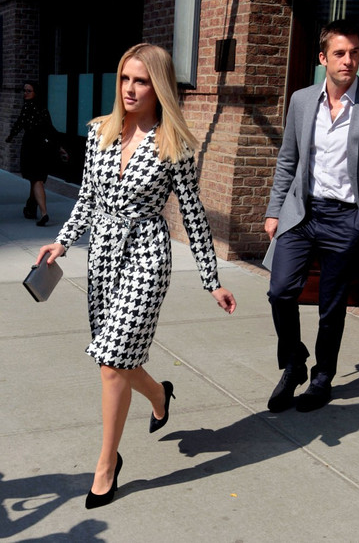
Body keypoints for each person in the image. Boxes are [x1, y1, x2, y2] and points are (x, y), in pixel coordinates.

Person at [35, 43, 236, 509]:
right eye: (125, 78)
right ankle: (159, 394)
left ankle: (106, 465)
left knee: (111, 363)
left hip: (146, 253)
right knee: (119, 358)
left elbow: (194, 215)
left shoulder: (174, 144)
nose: (129, 88)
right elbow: (87, 197)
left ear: (158, 85)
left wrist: (211, 279)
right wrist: (62, 241)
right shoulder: (99, 131)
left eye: (140, 80)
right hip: (103, 254)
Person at [264, 19, 359, 414]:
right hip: (302, 212)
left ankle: (322, 376)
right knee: (280, 291)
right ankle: (294, 361)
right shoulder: (302, 100)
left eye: (354, 53)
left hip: (347, 218)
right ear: (323, 58)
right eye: (340, 53)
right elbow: (288, 159)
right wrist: (274, 211)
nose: (348, 61)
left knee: (331, 304)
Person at [6, 81, 58, 226]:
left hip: (32, 147)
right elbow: (49, 128)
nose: (25, 93)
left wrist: (11, 136)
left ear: (36, 92)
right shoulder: (42, 108)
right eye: (24, 91)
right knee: (35, 179)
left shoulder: (29, 108)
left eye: (29, 91)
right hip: (42, 148)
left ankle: (44, 213)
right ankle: (30, 207)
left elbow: (20, 123)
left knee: (36, 180)